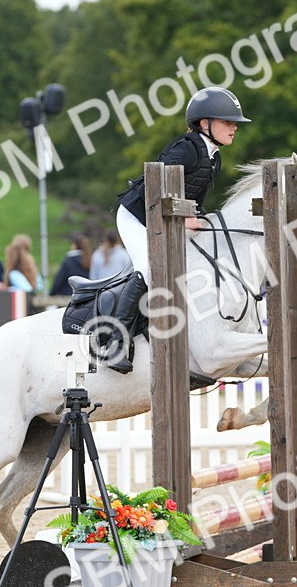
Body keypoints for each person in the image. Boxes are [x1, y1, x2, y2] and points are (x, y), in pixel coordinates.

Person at [106, 86, 251, 373]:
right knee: (151, 269)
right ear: (204, 123)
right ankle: (114, 341)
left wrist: (208, 222)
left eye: (234, 122)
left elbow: (195, 203)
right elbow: (156, 190)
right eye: (227, 122)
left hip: (167, 218)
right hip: (138, 216)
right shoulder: (184, 149)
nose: (234, 127)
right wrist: (184, 219)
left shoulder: (213, 158)